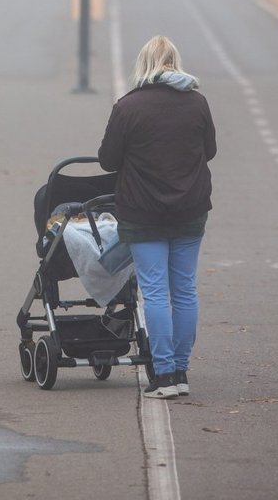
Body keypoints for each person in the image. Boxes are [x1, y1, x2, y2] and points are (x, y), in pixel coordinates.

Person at [98, 35, 217, 399]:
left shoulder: (128, 107)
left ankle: (162, 375)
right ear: (175, 61)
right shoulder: (197, 102)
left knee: (154, 293)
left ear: (144, 63)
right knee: (185, 291)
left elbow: (107, 160)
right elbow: (210, 150)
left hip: (143, 212)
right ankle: (180, 372)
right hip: (190, 210)